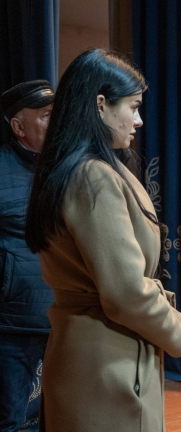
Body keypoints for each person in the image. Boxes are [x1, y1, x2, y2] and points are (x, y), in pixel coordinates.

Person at [24, 49, 181, 432]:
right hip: (107, 366)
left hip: (90, 357)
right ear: (101, 105)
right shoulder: (93, 176)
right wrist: (177, 332)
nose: (139, 120)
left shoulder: (76, 167)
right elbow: (125, 292)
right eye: (133, 107)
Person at [0, 80, 55, 431]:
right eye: (47, 116)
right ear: (19, 128)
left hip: (66, 320)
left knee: (61, 415)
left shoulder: (68, 168)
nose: (57, 123)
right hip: (14, 324)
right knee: (12, 419)